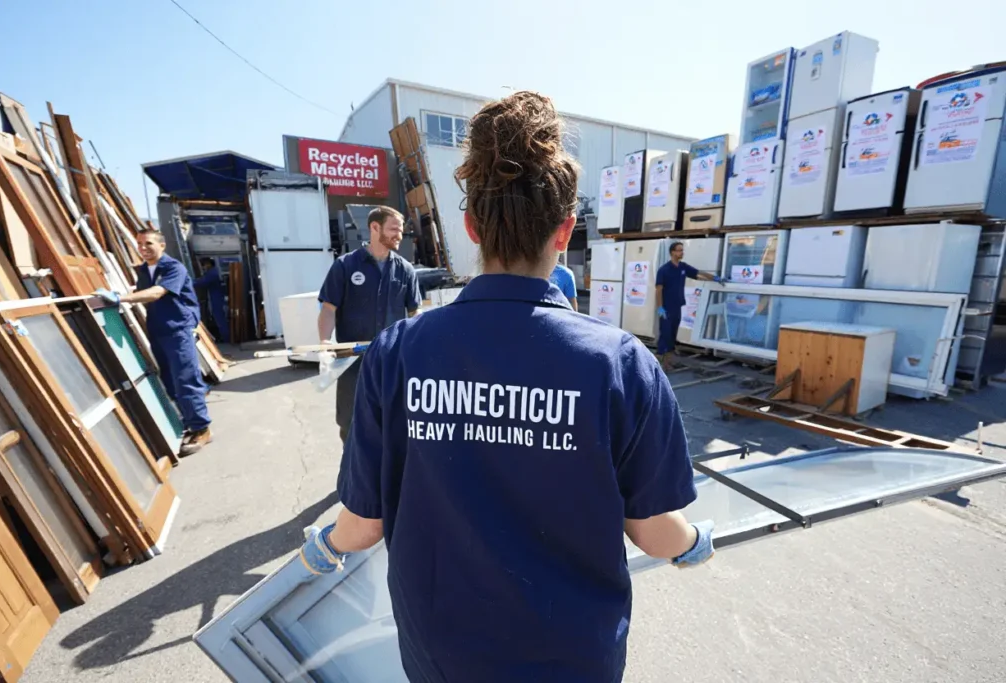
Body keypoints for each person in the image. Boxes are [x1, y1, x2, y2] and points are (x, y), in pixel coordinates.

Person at [299, 91, 714, 683]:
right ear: (566, 231)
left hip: (440, 654)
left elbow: (363, 526)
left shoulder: (397, 353)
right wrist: (696, 541)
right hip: (571, 657)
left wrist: (325, 546)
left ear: (471, 226)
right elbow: (653, 532)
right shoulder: (621, 363)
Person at [93, 230, 212, 457]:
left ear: (162, 245)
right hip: (158, 330)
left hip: (177, 330)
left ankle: (202, 429)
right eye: (139, 244)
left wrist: (122, 299)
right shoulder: (145, 270)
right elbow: (142, 291)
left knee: (186, 379)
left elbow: (157, 293)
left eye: (148, 243)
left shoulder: (173, 268)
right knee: (169, 379)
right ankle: (191, 421)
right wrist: (121, 294)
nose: (143, 248)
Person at [316, 206, 421, 444]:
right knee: (351, 426)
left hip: (391, 361)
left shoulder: (405, 270)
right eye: (394, 229)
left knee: (394, 424)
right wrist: (324, 342)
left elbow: (415, 311)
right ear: (375, 227)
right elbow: (328, 309)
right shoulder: (345, 266)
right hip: (352, 362)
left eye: (401, 230)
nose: (399, 235)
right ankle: (354, 479)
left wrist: (417, 340)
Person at [655, 241, 723, 370]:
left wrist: (714, 278)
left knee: (672, 336)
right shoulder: (664, 270)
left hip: (677, 306)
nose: (682, 252)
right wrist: (660, 307)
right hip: (666, 308)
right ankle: (656, 363)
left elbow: (698, 273)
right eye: (679, 250)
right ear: (672, 252)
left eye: (682, 250)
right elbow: (658, 289)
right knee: (665, 335)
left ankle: (668, 363)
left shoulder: (682, 267)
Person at [194, 257, 229, 343]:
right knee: (220, 319)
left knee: (220, 319)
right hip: (217, 299)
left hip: (217, 300)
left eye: (204, 265)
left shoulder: (212, 273)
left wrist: (187, 282)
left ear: (209, 264)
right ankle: (225, 337)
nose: (203, 267)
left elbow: (202, 282)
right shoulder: (213, 272)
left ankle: (226, 338)